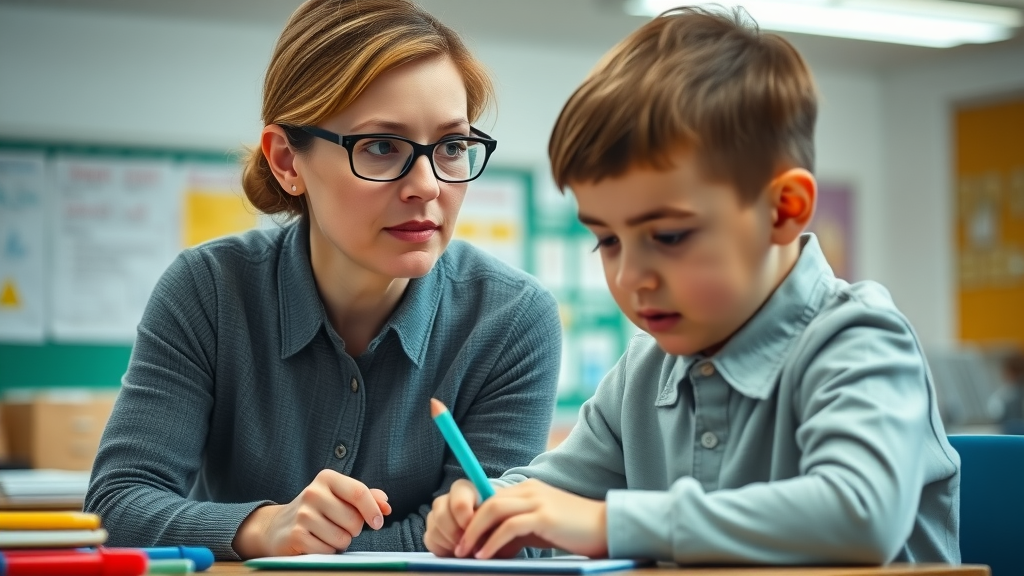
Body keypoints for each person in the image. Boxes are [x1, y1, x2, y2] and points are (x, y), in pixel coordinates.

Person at [424, 6, 959, 565]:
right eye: (607, 241)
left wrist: (611, 523)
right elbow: (554, 499)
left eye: (671, 236)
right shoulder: (645, 370)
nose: (630, 277)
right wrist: (486, 510)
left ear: (783, 211)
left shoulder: (859, 339)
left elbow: (859, 515)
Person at [85, 0, 561, 560]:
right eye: (382, 146)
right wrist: (263, 528)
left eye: (452, 147)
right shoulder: (209, 290)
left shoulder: (511, 317)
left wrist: (313, 544)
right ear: (288, 161)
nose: (427, 186)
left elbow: (491, 540)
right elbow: (115, 507)